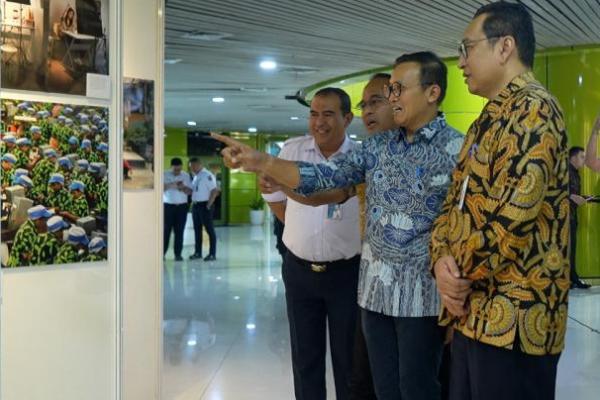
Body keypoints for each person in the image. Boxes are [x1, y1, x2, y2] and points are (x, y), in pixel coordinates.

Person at [215, 52, 462, 399]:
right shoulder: (378, 147)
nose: (393, 98)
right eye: (389, 90)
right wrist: (262, 162)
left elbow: (468, 225)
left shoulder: (458, 149)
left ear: (432, 93)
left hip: (423, 299)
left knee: (419, 389)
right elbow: (324, 178)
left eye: (399, 89)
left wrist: (459, 304)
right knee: (384, 389)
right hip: (374, 295)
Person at [429, 3, 569, 400]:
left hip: (519, 324)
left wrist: (453, 278)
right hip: (475, 315)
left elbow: (512, 221)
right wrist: (440, 260)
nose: (460, 62)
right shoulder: (486, 119)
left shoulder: (535, 109)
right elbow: (452, 203)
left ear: (505, 46)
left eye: (466, 48)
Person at [261, 87, 362, 400]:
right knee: (305, 358)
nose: (319, 122)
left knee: (349, 361)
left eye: (328, 114)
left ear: (347, 118)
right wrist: (297, 228)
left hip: (348, 273)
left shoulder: (360, 157)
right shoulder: (291, 151)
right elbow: (273, 197)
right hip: (300, 271)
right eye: (314, 113)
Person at [568, 146, 592, 289]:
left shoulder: (576, 174)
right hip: (562, 218)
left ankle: (572, 278)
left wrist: (584, 198)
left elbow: (575, 195)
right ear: (573, 157)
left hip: (571, 216)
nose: (584, 160)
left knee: (571, 249)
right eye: (582, 157)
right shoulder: (564, 172)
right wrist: (571, 196)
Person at [188, 157, 219, 261]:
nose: (191, 168)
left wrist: (208, 205)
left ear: (199, 164)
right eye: (190, 167)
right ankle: (198, 252)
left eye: (193, 166)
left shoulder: (207, 175)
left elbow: (214, 191)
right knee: (197, 230)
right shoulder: (197, 176)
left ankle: (212, 254)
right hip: (196, 205)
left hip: (204, 205)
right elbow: (193, 191)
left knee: (209, 230)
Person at [163, 157, 192, 261]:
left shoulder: (186, 175)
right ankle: (162, 254)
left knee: (179, 231)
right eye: (175, 170)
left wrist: (183, 187)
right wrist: (172, 184)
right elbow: (160, 188)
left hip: (182, 207)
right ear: (171, 167)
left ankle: (178, 254)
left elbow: (190, 192)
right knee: (166, 231)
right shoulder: (164, 174)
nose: (177, 171)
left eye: (179, 169)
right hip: (168, 206)